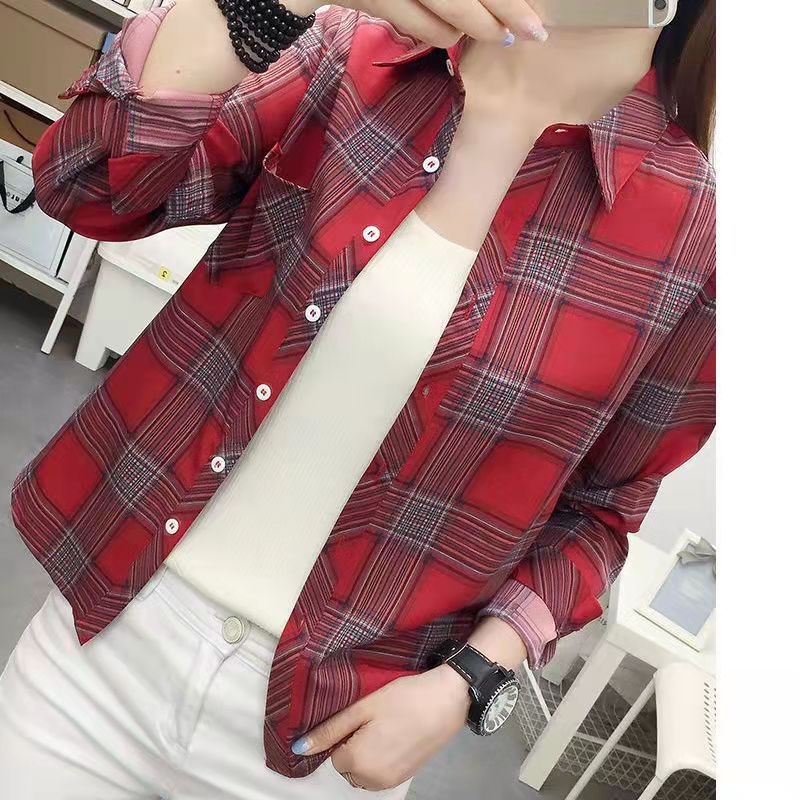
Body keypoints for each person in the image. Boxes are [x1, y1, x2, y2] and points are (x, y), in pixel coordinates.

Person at [0, 0, 716, 797]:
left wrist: (472, 678)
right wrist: (262, 8)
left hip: (330, 732)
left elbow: (604, 510)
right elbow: (87, 185)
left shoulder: (697, 237)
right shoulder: (353, 50)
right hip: (107, 643)